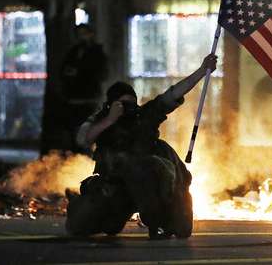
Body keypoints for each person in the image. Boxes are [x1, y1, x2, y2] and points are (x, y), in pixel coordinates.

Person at [65, 53, 218, 240]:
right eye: (123, 103)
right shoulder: (101, 120)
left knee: (181, 228)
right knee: (84, 226)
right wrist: (110, 119)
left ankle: (159, 219)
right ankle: (87, 205)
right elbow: (83, 139)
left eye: (132, 103)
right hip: (118, 188)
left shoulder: (144, 115)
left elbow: (174, 93)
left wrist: (202, 71)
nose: (129, 108)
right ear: (110, 104)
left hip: (153, 185)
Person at [60, 23, 108, 152]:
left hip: (89, 98)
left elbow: (102, 73)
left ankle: (86, 154)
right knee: (74, 130)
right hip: (74, 97)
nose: (82, 37)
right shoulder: (74, 51)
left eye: (84, 34)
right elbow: (63, 69)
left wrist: (80, 72)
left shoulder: (97, 52)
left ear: (91, 34)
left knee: (88, 129)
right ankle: (77, 154)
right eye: (79, 34)